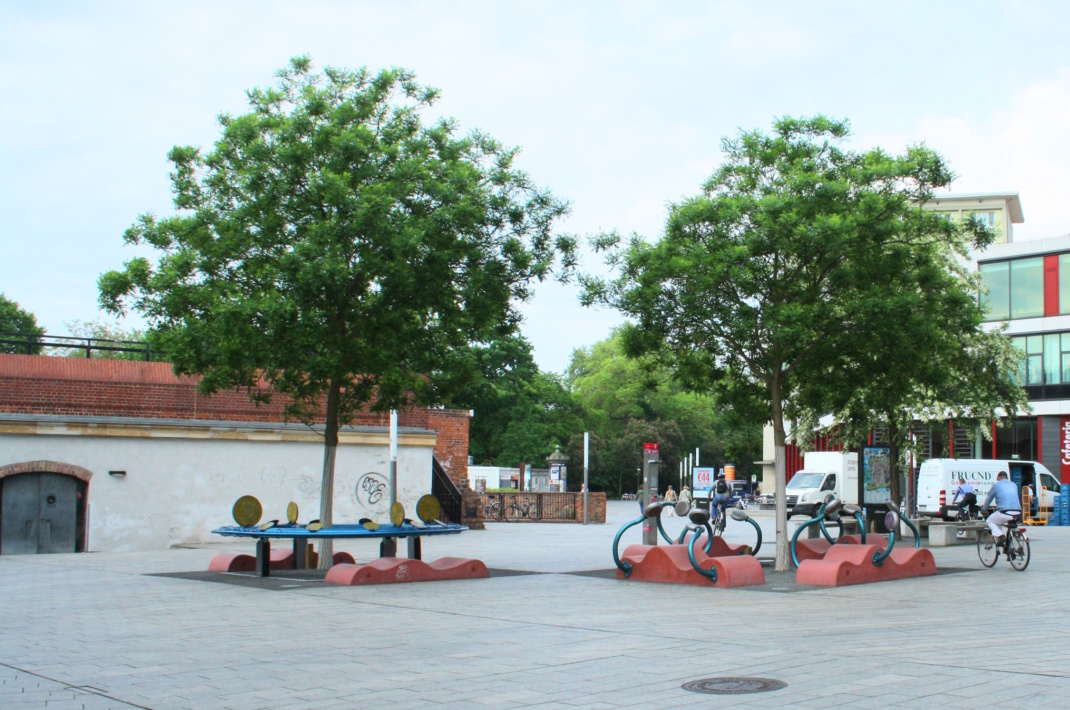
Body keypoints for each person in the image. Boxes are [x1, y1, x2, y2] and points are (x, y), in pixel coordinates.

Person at [982, 471, 1022, 544]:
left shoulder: (996, 485)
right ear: (1007, 477)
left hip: (1005, 512)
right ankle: (1015, 547)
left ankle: (1000, 535)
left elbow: (989, 498)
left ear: (999, 477)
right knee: (1011, 527)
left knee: (990, 521)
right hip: (1018, 512)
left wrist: (984, 509)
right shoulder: (1014, 485)